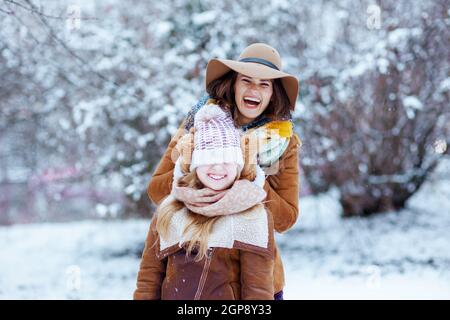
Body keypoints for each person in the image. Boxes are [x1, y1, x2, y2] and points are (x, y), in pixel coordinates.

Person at [145, 43, 301, 300]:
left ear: (274, 93)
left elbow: (286, 219)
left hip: (257, 280)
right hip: (193, 277)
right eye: (246, 81)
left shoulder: (283, 143)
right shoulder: (199, 124)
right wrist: (185, 188)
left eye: (265, 84)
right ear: (233, 84)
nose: (254, 90)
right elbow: (156, 190)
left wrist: (252, 183)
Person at [134, 104, 275, 299]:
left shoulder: (252, 215)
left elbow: (258, 289)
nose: (218, 167)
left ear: (238, 165)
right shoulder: (170, 211)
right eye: (209, 159)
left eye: (227, 160)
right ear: (195, 164)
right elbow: (149, 279)